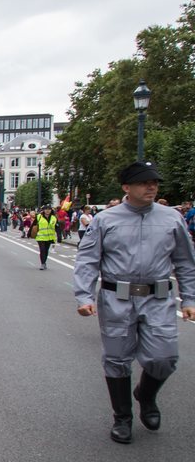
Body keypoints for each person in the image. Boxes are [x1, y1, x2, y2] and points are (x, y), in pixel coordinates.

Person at [73, 161, 195, 444]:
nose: (151, 186)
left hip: (158, 298)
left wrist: (189, 298)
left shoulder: (171, 218)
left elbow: (185, 262)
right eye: (144, 182)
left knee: (164, 358)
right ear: (127, 187)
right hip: (117, 298)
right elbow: (89, 260)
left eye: (154, 182)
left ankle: (146, 395)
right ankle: (122, 417)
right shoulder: (106, 220)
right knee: (117, 359)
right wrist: (84, 296)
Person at [35, 204, 57, 269]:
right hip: (40, 237)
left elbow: (57, 227)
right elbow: (33, 224)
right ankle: (42, 264)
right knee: (42, 250)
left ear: (51, 210)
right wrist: (29, 233)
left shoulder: (54, 218)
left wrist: (59, 235)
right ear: (43, 210)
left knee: (46, 250)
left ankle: (44, 262)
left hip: (49, 237)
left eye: (49, 209)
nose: (47, 211)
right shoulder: (39, 216)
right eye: (46, 209)